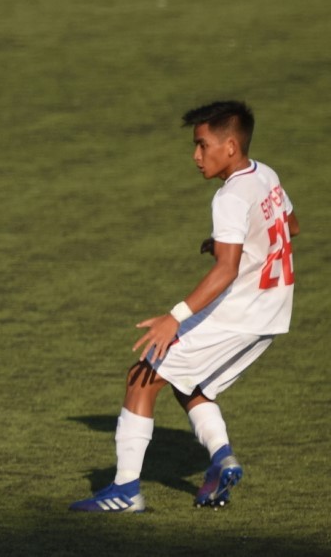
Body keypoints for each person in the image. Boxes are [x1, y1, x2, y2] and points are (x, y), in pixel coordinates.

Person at [70, 101, 297, 513]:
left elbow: (226, 271)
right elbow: (290, 227)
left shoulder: (229, 197)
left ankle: (125, 490)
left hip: (241, 310)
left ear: (229, 146)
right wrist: (230, 242)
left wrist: (174, 318)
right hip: (274, 309)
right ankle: (221, 458)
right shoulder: (265, 174)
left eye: (202, 145)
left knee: (143, 374)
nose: (196, 156)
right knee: (189, 382)